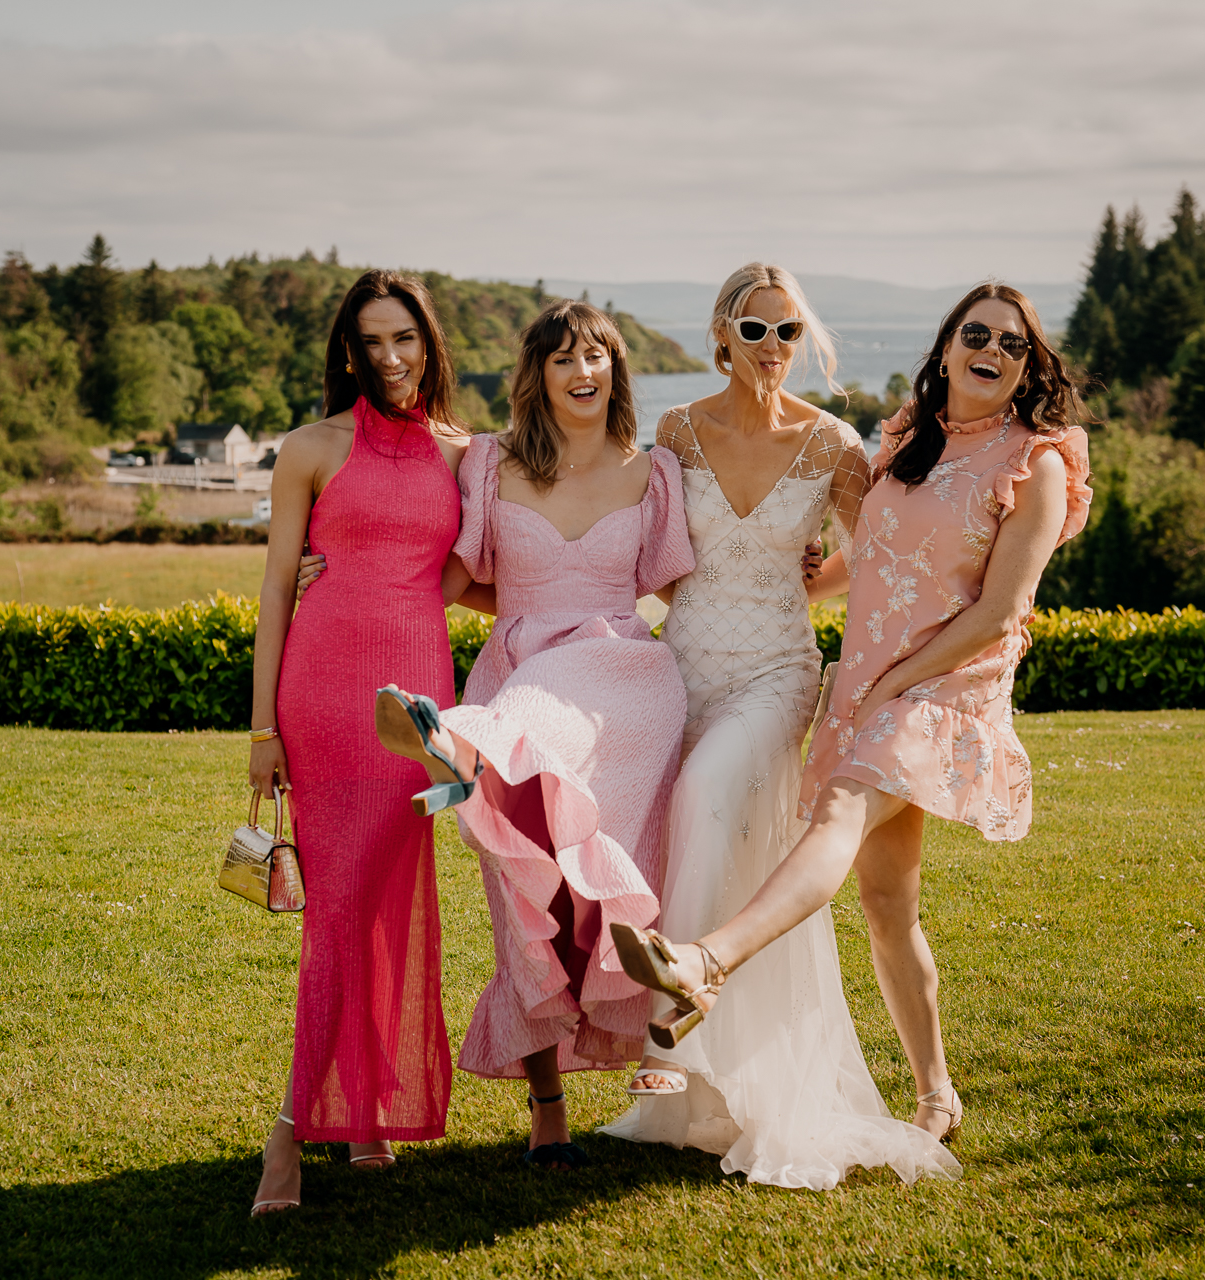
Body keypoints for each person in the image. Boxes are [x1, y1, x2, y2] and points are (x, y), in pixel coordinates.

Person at [611, 281, 1094, 1153]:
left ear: (1027, 369)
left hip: (944, 689)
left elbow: (1001, 611)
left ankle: (704, 963)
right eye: (976, 333)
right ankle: (938, 1092)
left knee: (834, 816)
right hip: (871, 681)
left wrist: (890, 683)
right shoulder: (911, 438)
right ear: (947, 348)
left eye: (1013, 345)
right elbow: (869, 547)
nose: (992, 350)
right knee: (886, 904)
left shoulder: (1040, 461)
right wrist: (803, 577)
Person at [599, 263, 958, 1188]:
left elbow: (878, 554)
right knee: (716, 839)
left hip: (776, 671)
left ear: (806, 340)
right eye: (753, 331)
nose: (770, 349)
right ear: (720, 337)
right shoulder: (676, 431)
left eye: (787, 332)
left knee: (706, 794)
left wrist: (826, 581)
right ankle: (701, 1095)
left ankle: (688, 1016)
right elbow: (635, 539)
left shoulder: (834, 443)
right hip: (684, 663)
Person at [374, 300, 694, 1170]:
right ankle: (546, 1105)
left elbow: (680, 591)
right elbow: (445, 574)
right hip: (521, 671)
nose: (581, 371)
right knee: (532, 898)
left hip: (625, 678)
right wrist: (338, 571)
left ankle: (459, 747)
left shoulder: (653, 470)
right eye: (562, 359)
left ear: (615, 370)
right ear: (539, 375)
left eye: (596, 356)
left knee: (537, 749)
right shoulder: (492, 462)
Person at [247, 269, 492, 1212]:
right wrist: (262, 728)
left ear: (431, 345)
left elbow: (481, 575)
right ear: (347, 351)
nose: (391, 358)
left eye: (407, 339)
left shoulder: (464, 454)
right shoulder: (310, 448)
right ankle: (292, 1126)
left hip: (418, 696)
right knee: (339, 905)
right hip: (324, 687)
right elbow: (275, 588)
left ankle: (362, 1113)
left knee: (389, 892)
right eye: (372, 341)